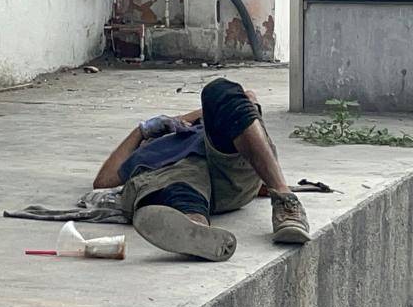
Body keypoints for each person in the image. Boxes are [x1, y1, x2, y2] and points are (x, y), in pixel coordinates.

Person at [93, 78, 310, 261]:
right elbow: (103, 181)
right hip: (181, 177)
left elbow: (248, 97)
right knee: (179, 183)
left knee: (218, 89)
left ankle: (285, 201)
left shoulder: (203, 128)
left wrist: (180, 119)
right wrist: (141, 131)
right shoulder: (150, 155)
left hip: (229, 165)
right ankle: (197, 230)